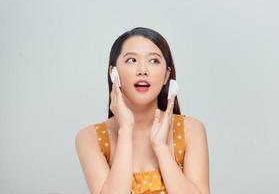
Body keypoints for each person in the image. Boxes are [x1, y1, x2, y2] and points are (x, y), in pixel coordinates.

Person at [75, 27, 210, 194]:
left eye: (153, 61)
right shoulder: (90, 138)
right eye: (131, 60)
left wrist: (161, 148)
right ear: (113, 73)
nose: (143, 71)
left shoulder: (192, 130)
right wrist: (125, 130)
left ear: (167, 76)